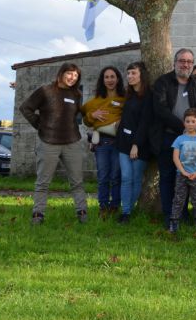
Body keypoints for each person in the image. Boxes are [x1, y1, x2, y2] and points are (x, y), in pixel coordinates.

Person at [20, 63, 88, 225]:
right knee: (43, 182)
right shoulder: (45, 91)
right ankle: (38, 214)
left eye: (76, 76)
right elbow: (25, 108)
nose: (72, 78)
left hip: (72, 142)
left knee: (77, 181)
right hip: (48, 142)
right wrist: (40, 125)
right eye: (70, 74)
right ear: (61, 73)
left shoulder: (77, 94)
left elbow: (79, 116)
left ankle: (82, 212)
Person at [151, 48, 196, 227]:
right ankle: (170, 216)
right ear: (175, 62)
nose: (186, 64)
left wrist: (193, 130)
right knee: (168, 177)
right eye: (182, 61)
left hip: (192, 141)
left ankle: (184, 214)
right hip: (168, 138)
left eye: (189, 62)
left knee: (189, 178)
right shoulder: (163, 82)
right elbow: (160, 109)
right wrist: (183, 127)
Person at [81, 66, 126, 218]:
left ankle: (115, 206)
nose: (110, 80)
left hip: (119, 143)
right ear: (102, 80)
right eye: (106, 77)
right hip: (101, 143)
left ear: (118, 79)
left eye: (112, 76)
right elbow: (85, 120)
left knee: (116, 176)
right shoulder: (94, 102)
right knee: (103, 177)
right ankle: (103, 207)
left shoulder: (124, 98)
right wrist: (93, 115)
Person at [116, 61, 154, 223]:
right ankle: (125, 212)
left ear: (141, 76)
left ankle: (128, 211)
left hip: (140, 145)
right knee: (125, 177)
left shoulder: (149, 96)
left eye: (133, 73)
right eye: (128, 73)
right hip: (123, 143)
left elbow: (146, 122)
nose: (129, 76)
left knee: (136, 178)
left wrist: (136, 144)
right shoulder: (129, 94)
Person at [170, 108, 196, 233]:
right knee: (178, 199)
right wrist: (183, 171)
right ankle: (174, 223)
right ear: (184, 123)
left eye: (193, 121)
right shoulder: (179, 139)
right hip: (181, 175)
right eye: (188, 121)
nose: (190, 124)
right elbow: (175, 157)